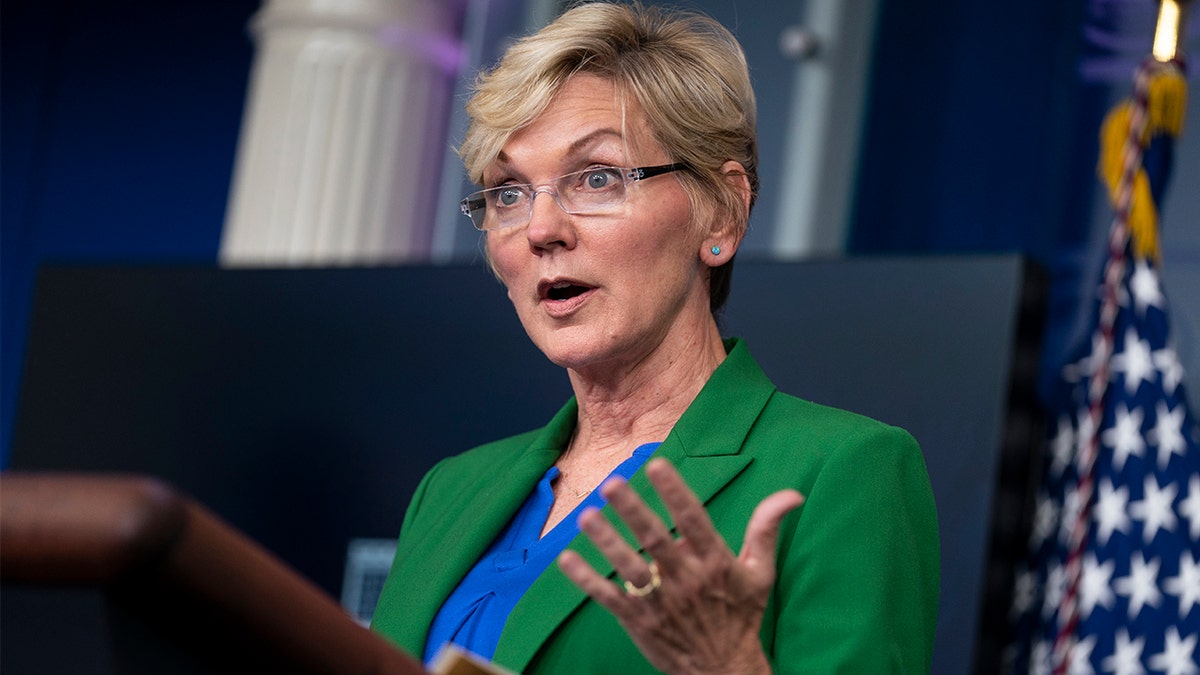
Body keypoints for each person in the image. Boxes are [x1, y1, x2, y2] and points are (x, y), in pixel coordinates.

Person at [371, 2, 939, 672]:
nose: (541, 228)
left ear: (722, 212)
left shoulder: (842, 472)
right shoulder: (453, 489)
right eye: (508, 192)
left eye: (598, 177)